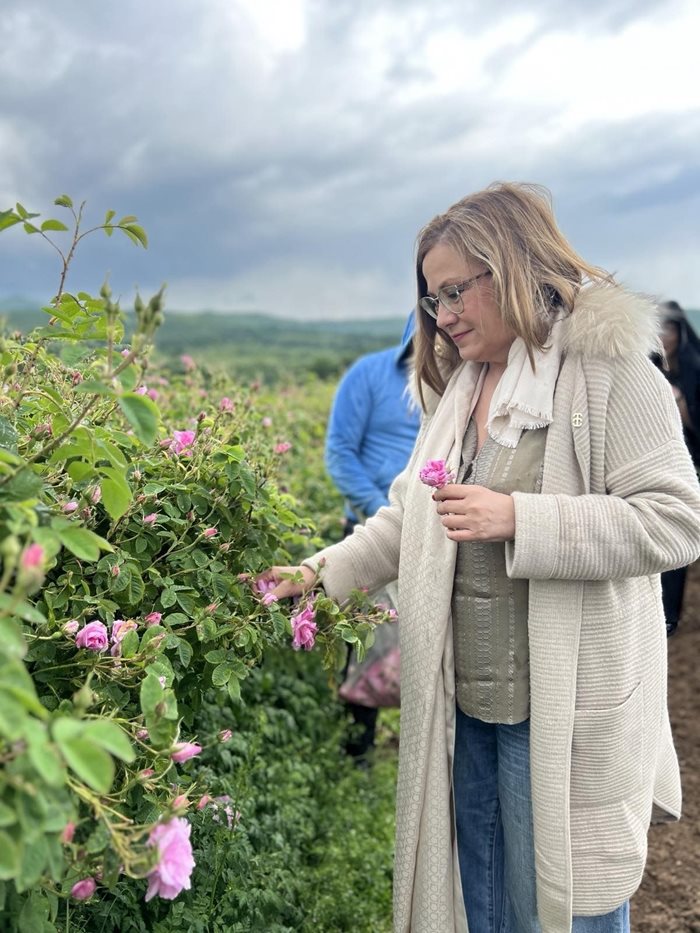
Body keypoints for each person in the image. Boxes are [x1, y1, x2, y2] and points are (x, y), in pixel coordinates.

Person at [260, 183, 700, 933]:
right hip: (469, 705)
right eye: (433, 300)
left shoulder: (612, 371)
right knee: (487, 902)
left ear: (514, 267)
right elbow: (409, 517)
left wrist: (519, 518)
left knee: (569, 909)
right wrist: (315, 573)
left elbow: (676, 520)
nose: (443, 316)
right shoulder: (458, 390)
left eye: (455, 291)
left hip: (565, 708)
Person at [325, 314, 420, 758]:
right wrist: (386, 515)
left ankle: (422, 755)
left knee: (427, 644)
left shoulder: (466, 386)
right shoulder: (368, 375)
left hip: (437, 535)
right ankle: (355, 755)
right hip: (373, 530)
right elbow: (339, 453)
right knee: (363, 642)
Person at [654, 300, 700, 635]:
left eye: (669, 327)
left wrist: (680, 401)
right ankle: (668, 615)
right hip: (663, 467)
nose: (663, 334)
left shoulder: (694, 367)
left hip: (694, 462)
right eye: (659, 326)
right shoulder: (646, 369)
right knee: (671, 546)